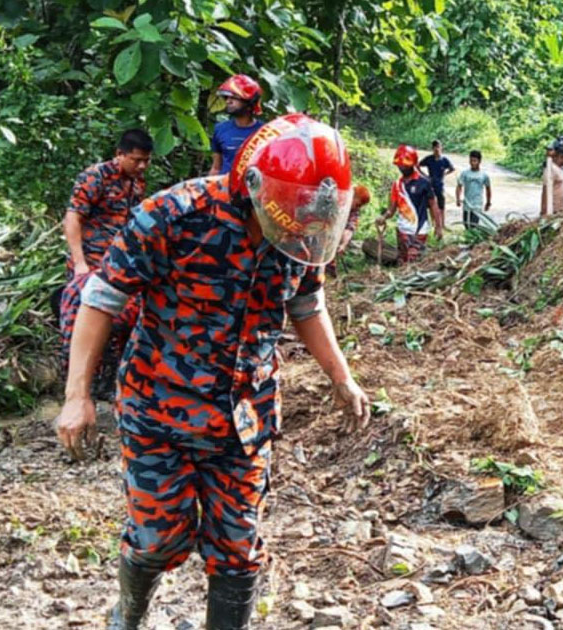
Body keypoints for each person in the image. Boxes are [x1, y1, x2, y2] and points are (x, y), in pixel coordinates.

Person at [54, 113, 373, 630]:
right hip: (159, 411)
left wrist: (342, 376)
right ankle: (127, 618)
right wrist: (77, 396)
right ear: (256, 189)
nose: (297, 226)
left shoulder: (305, 223)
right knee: (158, 539)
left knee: (239, 548)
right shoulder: (172, 216)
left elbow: (308, 306)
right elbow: (101, 299)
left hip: (245, 419)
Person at [59, 129, 152, 401]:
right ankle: (76, 387)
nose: (142, 165)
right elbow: (73, 219)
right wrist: (79, 264)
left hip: (118, 266)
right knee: (82, 321)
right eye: (136, 160)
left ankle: (108, 382)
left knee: (120, 322)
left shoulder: (137, 182)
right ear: (119, 154)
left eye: (146, 160)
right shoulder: (94, 177)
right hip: (90, 265)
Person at [380, 144, 443, 263]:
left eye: (404, 165)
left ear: (413, 164)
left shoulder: (424, 183)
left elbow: (433, 205)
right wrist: (383, 217)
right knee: (402, 261)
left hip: (419, 230)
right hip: (402, 230)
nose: (402, 167)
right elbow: (391, 209)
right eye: (400, 165)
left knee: (413, 260)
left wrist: (438, 227)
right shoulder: (397, 185)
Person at [209, 74, 265, 176]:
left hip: (251, 189)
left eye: (234, 98)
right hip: (225, 190)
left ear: (249, 102)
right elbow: (216, 168)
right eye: (226, 98)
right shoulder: (220, 129)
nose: (228, 101)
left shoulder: (264, 132)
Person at [418, 140, 455, 218]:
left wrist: (445, 174)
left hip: (440, 185)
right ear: (432, 148)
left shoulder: (444, 160)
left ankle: (442, 223)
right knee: (431, 204)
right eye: (435, 147)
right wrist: (424, 176)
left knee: (441, 204)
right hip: (430, 184)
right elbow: (417, 165)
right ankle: (434, 222)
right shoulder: (429, 159)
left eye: (438, 147)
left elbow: (452, 168)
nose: (437, 149)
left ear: (441, 148)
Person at [456, 150, 492, 228]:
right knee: (466, 224)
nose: (472, 163)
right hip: (467, 204)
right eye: (471, 160)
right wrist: (458, 199)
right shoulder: (465, 174)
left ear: (479, 161)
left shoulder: (484, 175)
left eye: (475, 161)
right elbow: (459, 186)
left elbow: (488, 189)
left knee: (473, 225)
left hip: (477, 204)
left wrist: (488, 202)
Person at [541, 138, 563, 216]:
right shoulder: (551, 169)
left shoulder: (559, 168)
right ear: (562, 157)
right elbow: (546, 191)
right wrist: (544, 212)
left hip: (560, 211)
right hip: (553, 211)